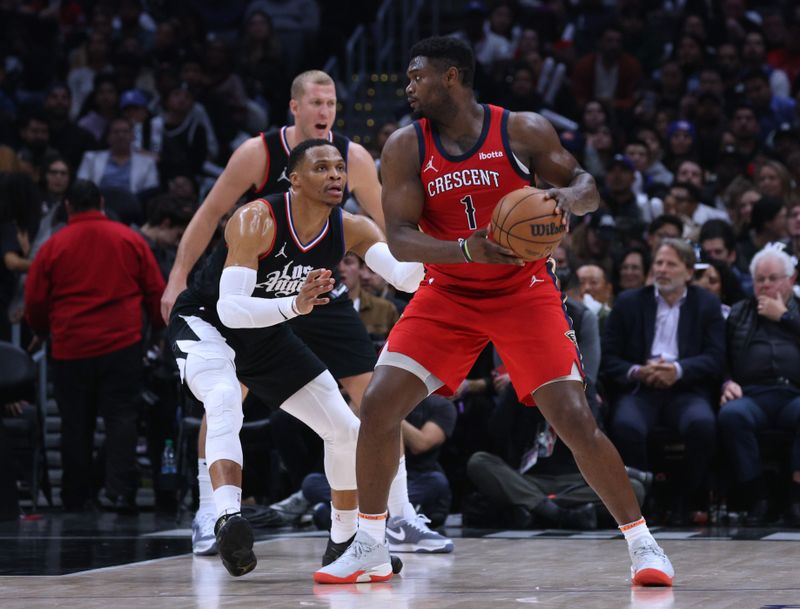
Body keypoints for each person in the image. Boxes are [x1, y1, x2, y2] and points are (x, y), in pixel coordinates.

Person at [316, 36, 674, 586]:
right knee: (382, 402)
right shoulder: (405, 147)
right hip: (449, 292)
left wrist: (566, 200)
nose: (409, 88)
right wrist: (466, 249)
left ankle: (644, 546)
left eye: (418, 77)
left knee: (575, 419)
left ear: (452, 76)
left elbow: (587, 185)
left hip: (523, 290)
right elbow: (403, 240)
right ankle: (370, 543)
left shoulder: (521, 130)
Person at [166, 70, 452, 556]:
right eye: (324, 170)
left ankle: (350, 537)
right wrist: (179, 277)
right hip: (215, 318)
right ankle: (219, 516)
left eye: (340, 170)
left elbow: (405, 273)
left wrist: (468, 262)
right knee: (223, 400)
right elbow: (233, 310)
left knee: (351, 421)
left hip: (296, 306)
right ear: (292, 178)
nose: (337, 176)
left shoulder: (352, 223)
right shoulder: (257, 211)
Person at [24, 180, 165, 512]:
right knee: (122, 418)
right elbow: (156, 292)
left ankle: (76, 495)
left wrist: (43, 331)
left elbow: (35, 301)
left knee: (75, 423)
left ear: (68, 206)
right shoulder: (130, 239)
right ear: (101, 202)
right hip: (122, 344)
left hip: (71, 346)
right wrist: (156, 332)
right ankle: (118, 492)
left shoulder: (53, 246)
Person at [603, 239, 725, 525]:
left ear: (689, 272)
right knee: (625, 426)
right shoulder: (629, 302)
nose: (662, 269)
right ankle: (645, 501)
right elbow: (609, 358)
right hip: (641, 388)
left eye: (670, 264)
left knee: (702, 424)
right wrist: (637, 371)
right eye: (658, 263)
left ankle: (687, 498)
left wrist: (678, 370)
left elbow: (715, 358)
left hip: (685, 388)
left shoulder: (706, 303)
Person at [718, 243, 800, 526]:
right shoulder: (740, 312)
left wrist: (785, 318)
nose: (765, 285)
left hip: (794, 394)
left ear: (791, 280)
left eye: (773, 278)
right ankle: (757, 498)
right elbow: (721, 356)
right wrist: (726, 382)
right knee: (732, 414)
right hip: (753, 394)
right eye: (760, 280)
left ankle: (796, 497)